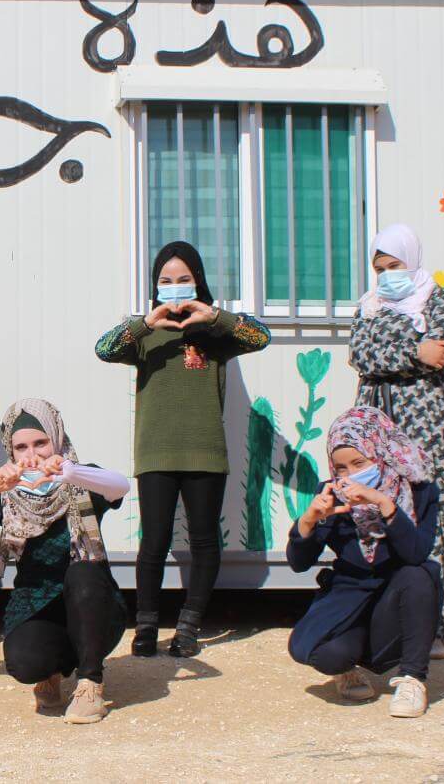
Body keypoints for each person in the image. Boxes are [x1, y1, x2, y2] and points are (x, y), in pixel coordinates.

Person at [95, 240, 270, 657]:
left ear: (198, 282)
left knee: (204, 540)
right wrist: (145, 322)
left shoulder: (216, 334)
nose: (174, 287)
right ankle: (146, 627)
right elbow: (103, 349)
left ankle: (190, 625)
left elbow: (260, 336)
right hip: (155, 451)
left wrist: (213, 315)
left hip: (205, 452)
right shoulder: (143, 335)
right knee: (153, 542)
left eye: (183, 280)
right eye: (165, 281)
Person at [0, 399, 130, 724]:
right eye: (21, 446)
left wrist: (70, 472)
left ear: (56, 439)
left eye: (40, 442)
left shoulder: (81, 479)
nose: (31, 453)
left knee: (84, 573)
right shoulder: (9, 493)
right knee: (26, 663)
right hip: (38, 603)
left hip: (94, 605)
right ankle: (51, 671)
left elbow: (121, 486)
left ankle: (90, 682)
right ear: (11, 450)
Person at [286, 405, 440, 718]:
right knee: (317, 652)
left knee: (420, 574)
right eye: (340, 467)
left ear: (380, 451)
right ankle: (348, 669)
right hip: (350, 595)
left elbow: (416, 553)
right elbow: (299, 562)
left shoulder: (418, 488)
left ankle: (412, 679)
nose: (349, 475)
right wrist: (310, 519)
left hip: (396, 597)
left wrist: (383, 503)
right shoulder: (331, 494)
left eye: (359, 462)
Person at [350, 224, 444, 659]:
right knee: (374, 514)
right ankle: (383, 625)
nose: (387, 275)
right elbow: (359, 355)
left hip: (423, 427)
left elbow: (440, 350)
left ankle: (434, 629)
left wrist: (391, 348)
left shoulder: (441, 299)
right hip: (376, 424)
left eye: (395, 266)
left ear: (411, 262)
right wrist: (414, 350)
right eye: (380, 268)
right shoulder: (368, 304)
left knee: (428, 520)